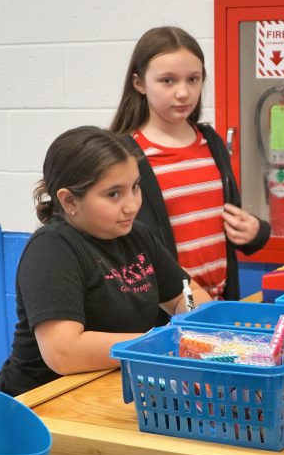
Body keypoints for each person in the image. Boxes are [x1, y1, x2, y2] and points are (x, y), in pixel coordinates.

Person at [0, 126, 208, 404]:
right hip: (36, 404)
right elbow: (63, 353)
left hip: (100, 389)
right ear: (69, 200)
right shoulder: (52, 248)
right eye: (113, 194)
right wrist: (160, 343)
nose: (131, 205)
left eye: (135, 187)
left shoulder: (136, 234)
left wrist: (190, 324)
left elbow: (188, 293)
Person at [111, 26, 270, 303]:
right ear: (139, 83)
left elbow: (227, 224)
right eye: (167, 81)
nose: (183, 93)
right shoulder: (124, 154)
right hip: (166, 308)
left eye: (193, 79)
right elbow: (119, 241)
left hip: (220, 302)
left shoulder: (212, 142)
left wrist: (255, 231)